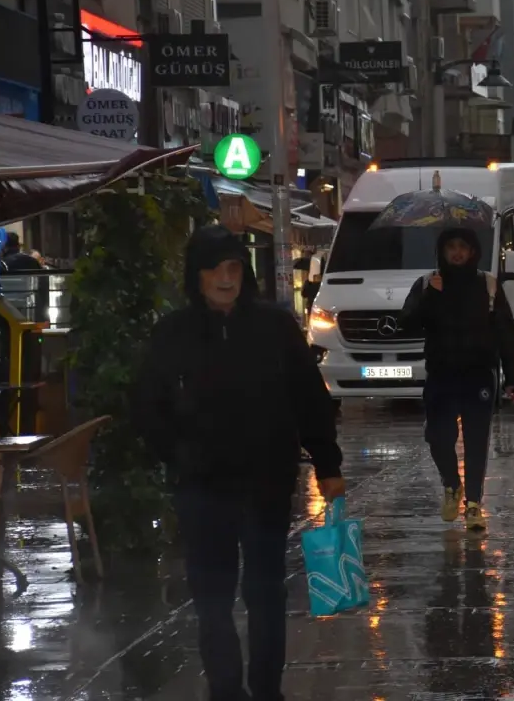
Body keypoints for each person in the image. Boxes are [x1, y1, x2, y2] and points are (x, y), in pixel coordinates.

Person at [134, 225, 344, 701]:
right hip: (202, 488)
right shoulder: (173, 334)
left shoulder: (275, 328)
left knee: (266, 591)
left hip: (266, 484)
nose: (225, 279)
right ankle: (226, 689)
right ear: (197, 276)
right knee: (212, 596)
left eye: (232, 268)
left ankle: (267, 689)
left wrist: (328, 464)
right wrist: (178, 455)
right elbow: (147, 406)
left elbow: (309, 399)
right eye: (214, 270)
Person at [400, 228, 514, 531]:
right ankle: (452, 484)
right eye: (451, 247)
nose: (457, 253)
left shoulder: (488, 285)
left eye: (462, 247)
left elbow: (505, 331)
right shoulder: (427, 284)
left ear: (473, 251)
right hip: (441, 374)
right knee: (438, 437)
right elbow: (408, 324)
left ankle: (474, 504)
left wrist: (513, 378)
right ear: (442, 251)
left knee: (476, 439)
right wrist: (431, 297)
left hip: (478, 374)